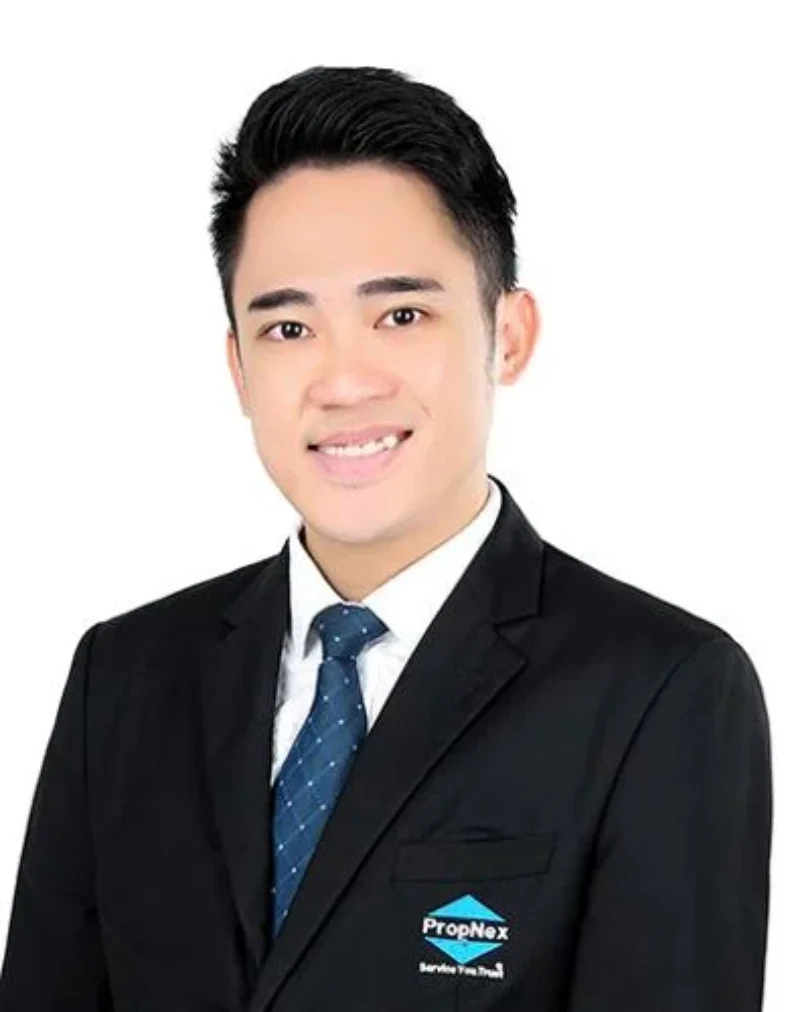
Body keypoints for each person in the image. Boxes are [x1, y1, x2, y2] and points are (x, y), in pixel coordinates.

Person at [0, 65, 771, 1012]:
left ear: (508, 335)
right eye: (289, 328)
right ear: (238, 367)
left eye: (401, 315)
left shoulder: (661, 689)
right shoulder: (122, 677)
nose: (342, 381)